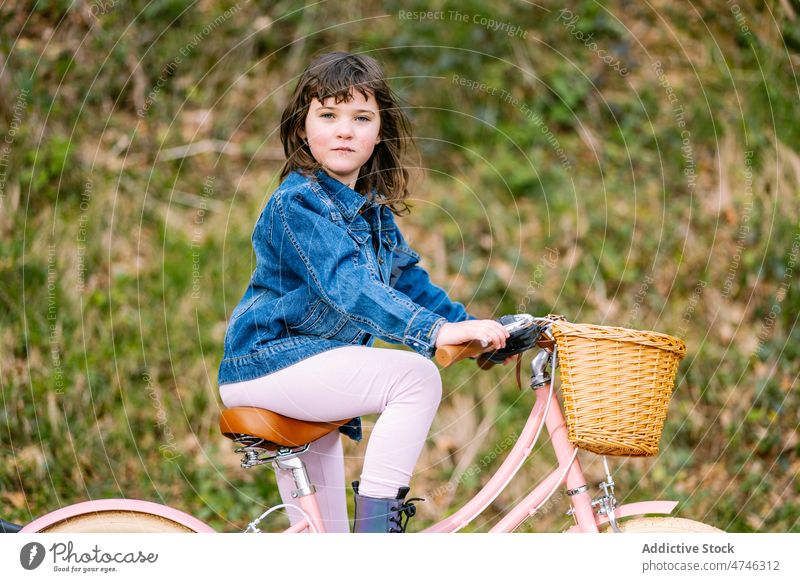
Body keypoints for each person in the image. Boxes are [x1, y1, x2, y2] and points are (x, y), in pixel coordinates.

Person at [217, 51, 511, 533]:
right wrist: (434, 333)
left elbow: (411, 286)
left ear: (379, 134)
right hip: (269, 362)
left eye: (361, 117)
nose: (344, 130)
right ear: (302, 128)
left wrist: (482, 334)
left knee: (326, 545)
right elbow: (350, 288)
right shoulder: (298, 203)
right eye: (328, 115)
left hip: (308, 370)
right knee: (416, 377)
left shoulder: (371, 215)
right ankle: (379, 539)